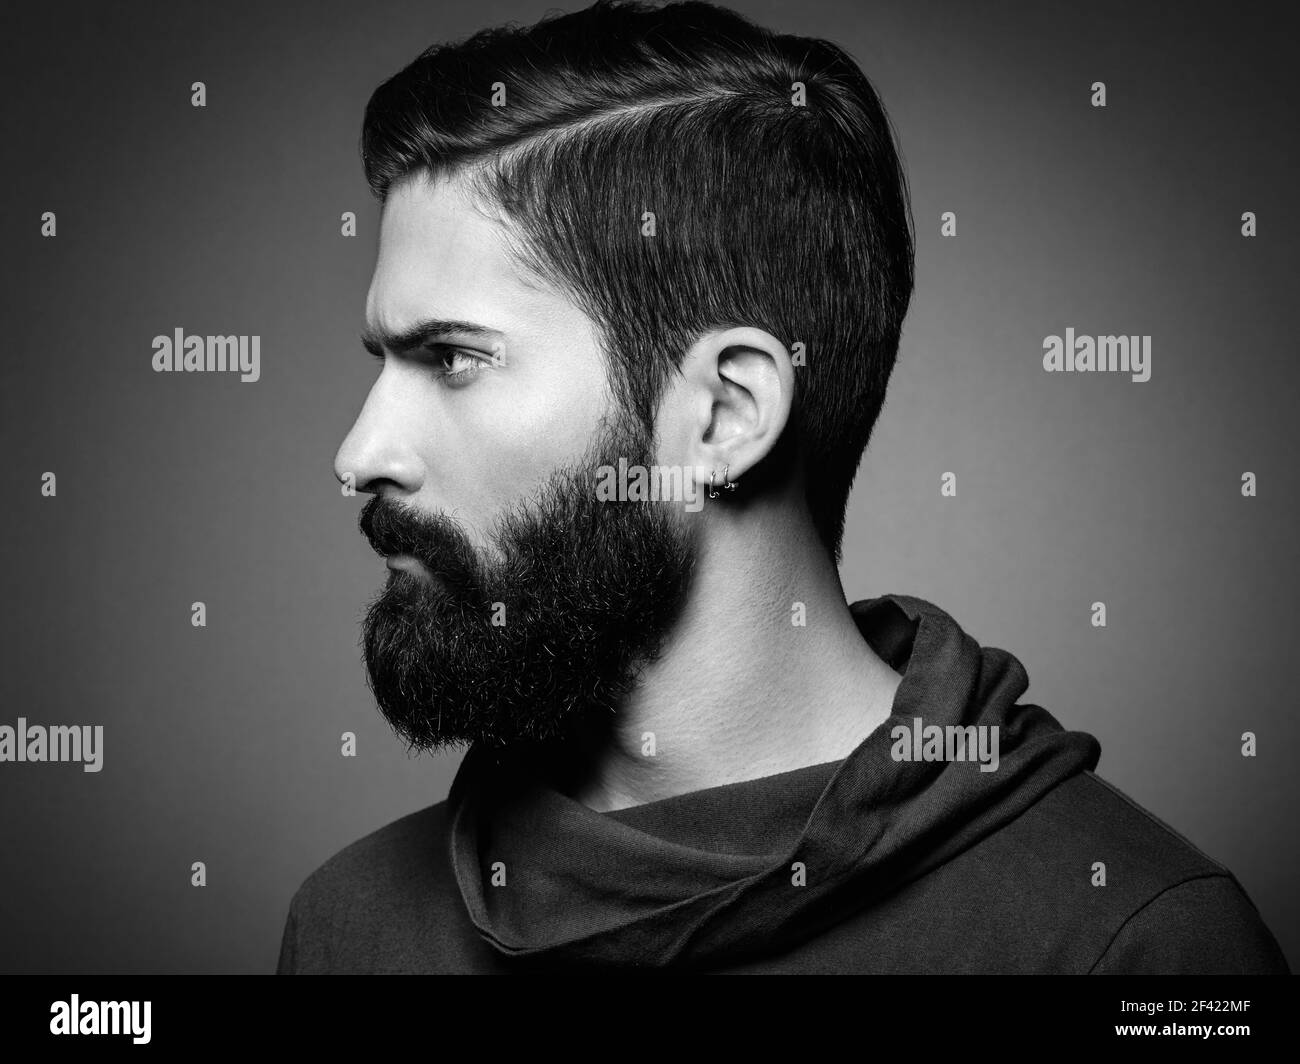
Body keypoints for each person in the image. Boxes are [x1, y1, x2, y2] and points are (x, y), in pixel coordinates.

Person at [276, 0, 1288, 973]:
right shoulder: (354, 927)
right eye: (380, 359)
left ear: (723, 414)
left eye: (451, 357)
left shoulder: (1133, 944)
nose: (359, 452)